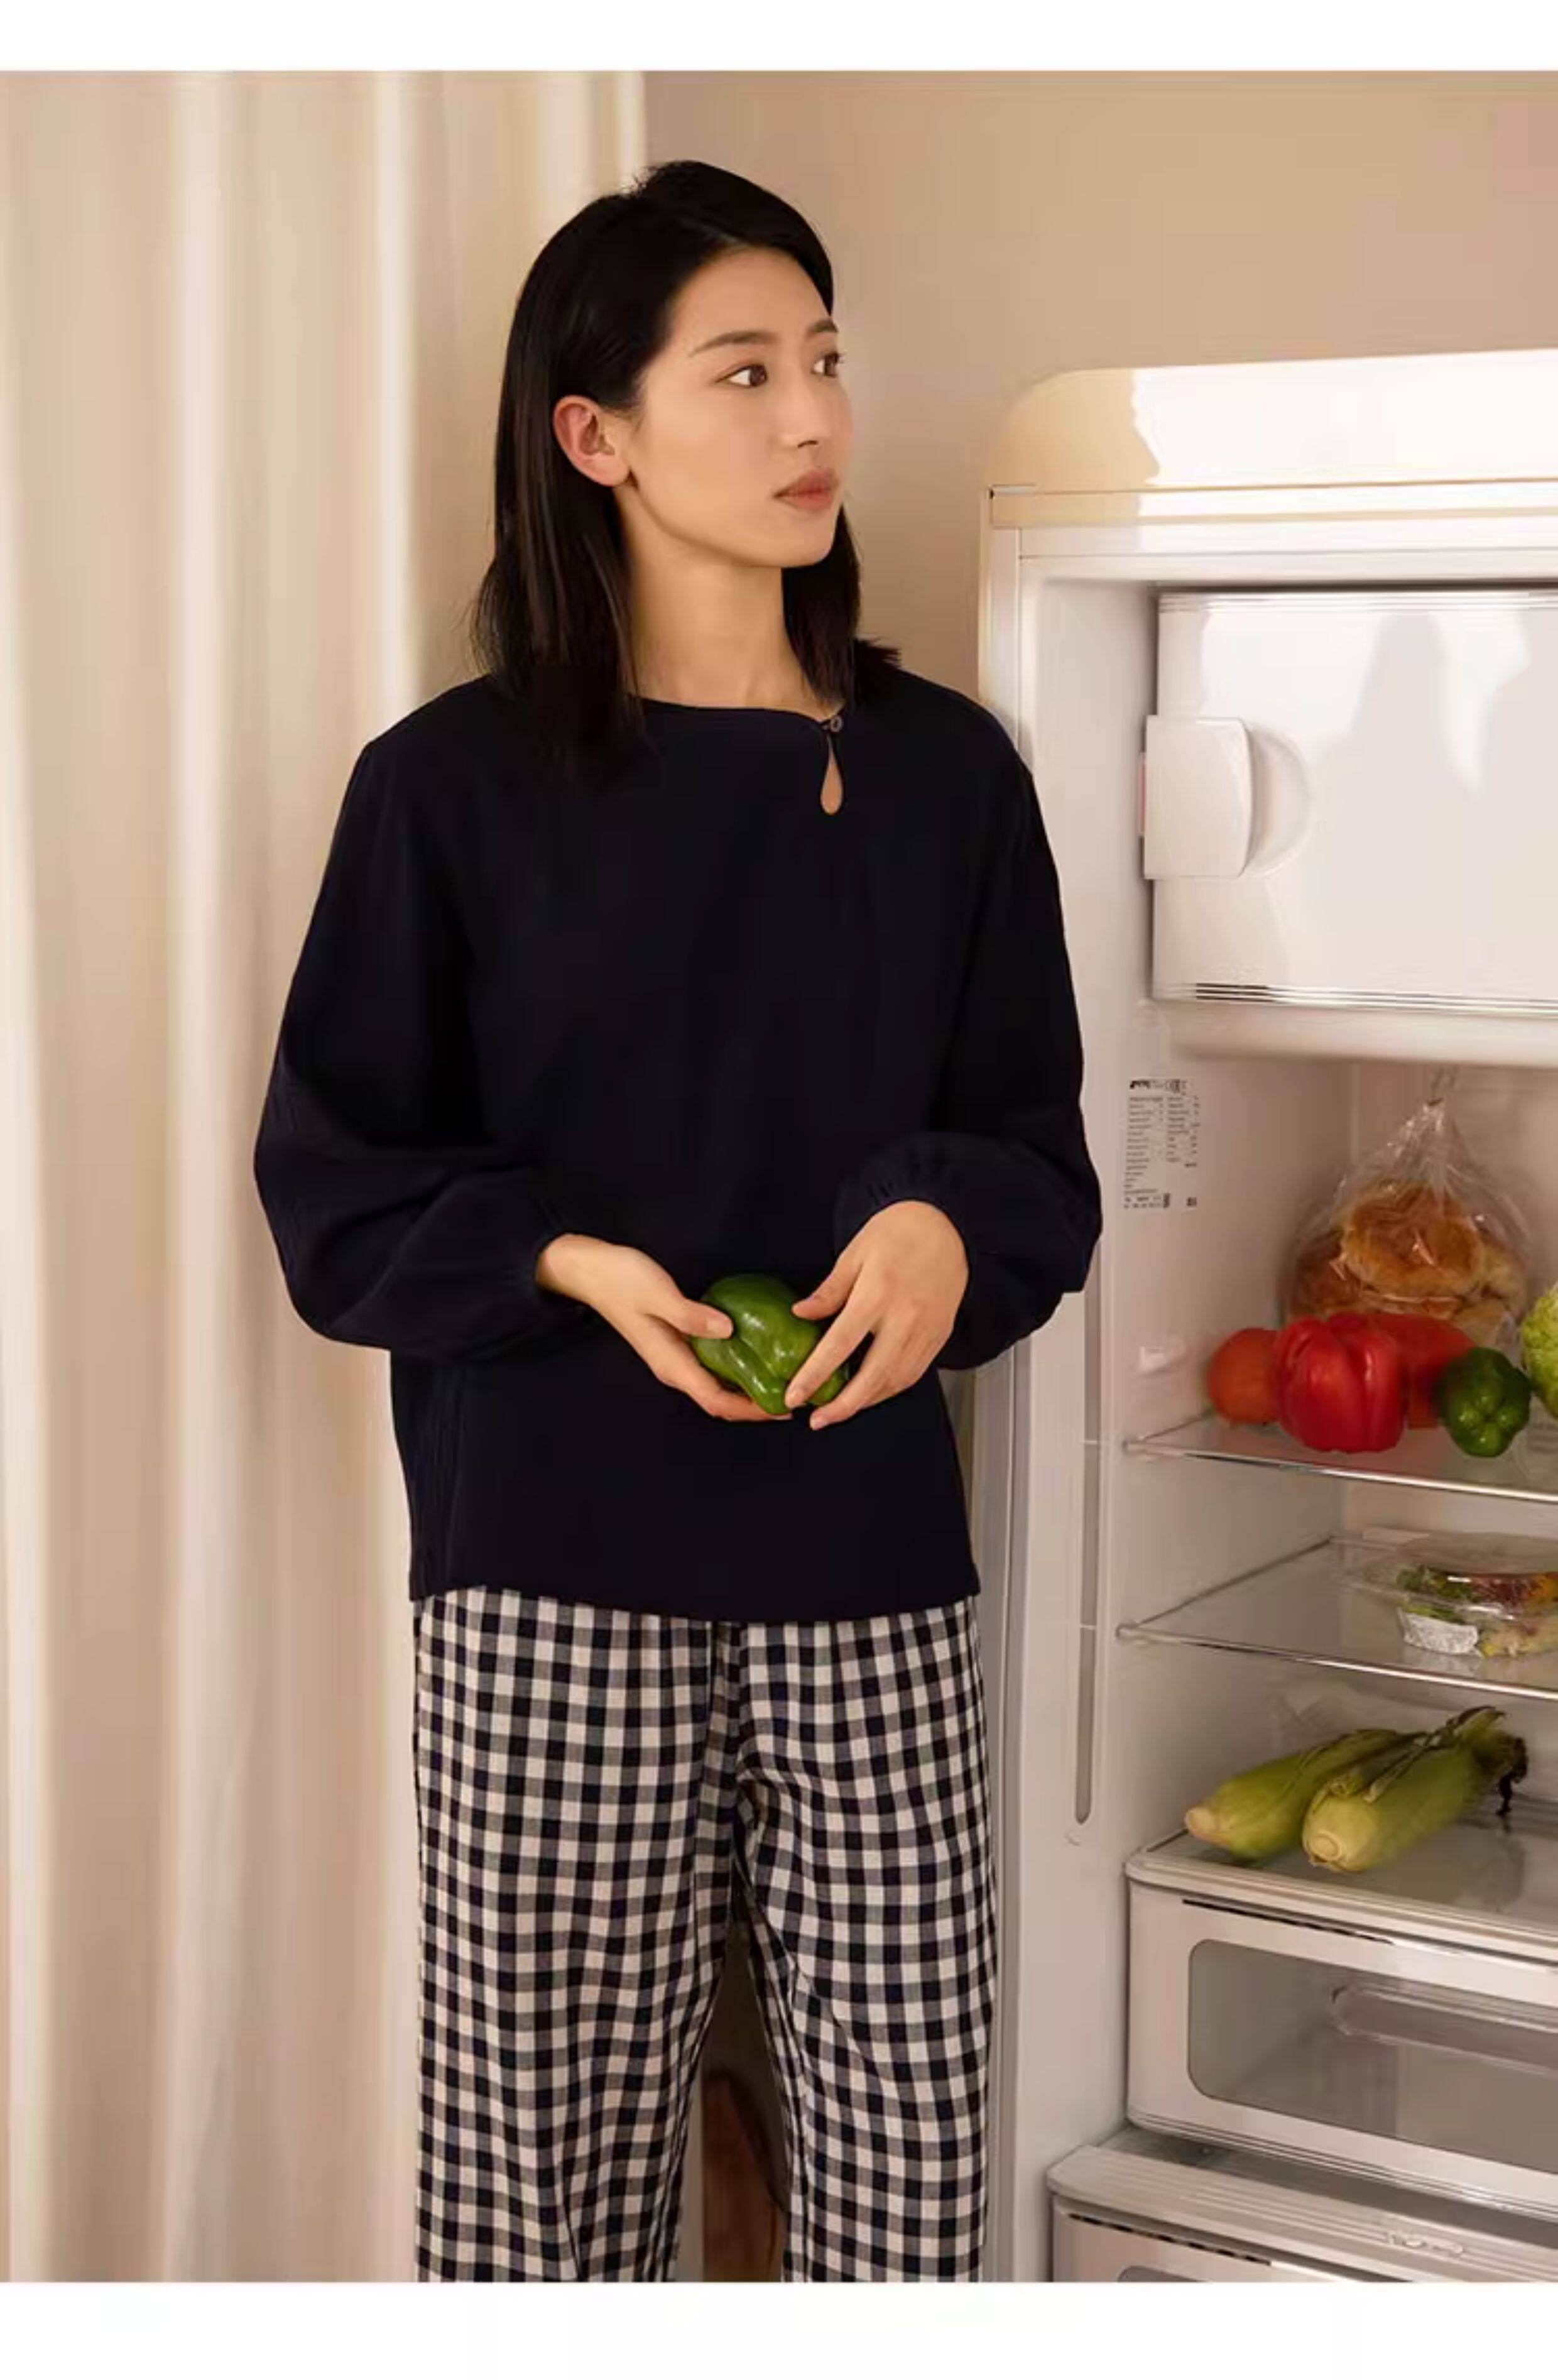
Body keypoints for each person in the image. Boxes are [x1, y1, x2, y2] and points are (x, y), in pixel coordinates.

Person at [252, 157, 1101, 2284]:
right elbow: (334, 1184)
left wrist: (946, 1232)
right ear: (595, 434)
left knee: (916, 2170)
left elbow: (1038, 1158)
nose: (814, 416)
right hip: (552, 1556)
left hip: (872, 1563)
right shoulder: (446, 790)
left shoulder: (953, 780)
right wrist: (561, 1257)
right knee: (542, 2205)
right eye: (743, 371)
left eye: (825, 358)